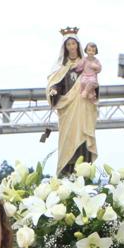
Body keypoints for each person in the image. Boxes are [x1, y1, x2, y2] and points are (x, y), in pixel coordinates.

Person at [45, 35, 98, 175]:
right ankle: (67, 172)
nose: (71, 47)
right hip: (68, 109)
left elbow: (94, 80)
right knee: (67, 141)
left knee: (83, 137)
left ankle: (84, 171)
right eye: (68, 44)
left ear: (77, 45)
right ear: (65, 48)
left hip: (84, 107)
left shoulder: (86, 63)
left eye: (73, 44)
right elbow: (57, 83)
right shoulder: (62, 68)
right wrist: (54, 90)